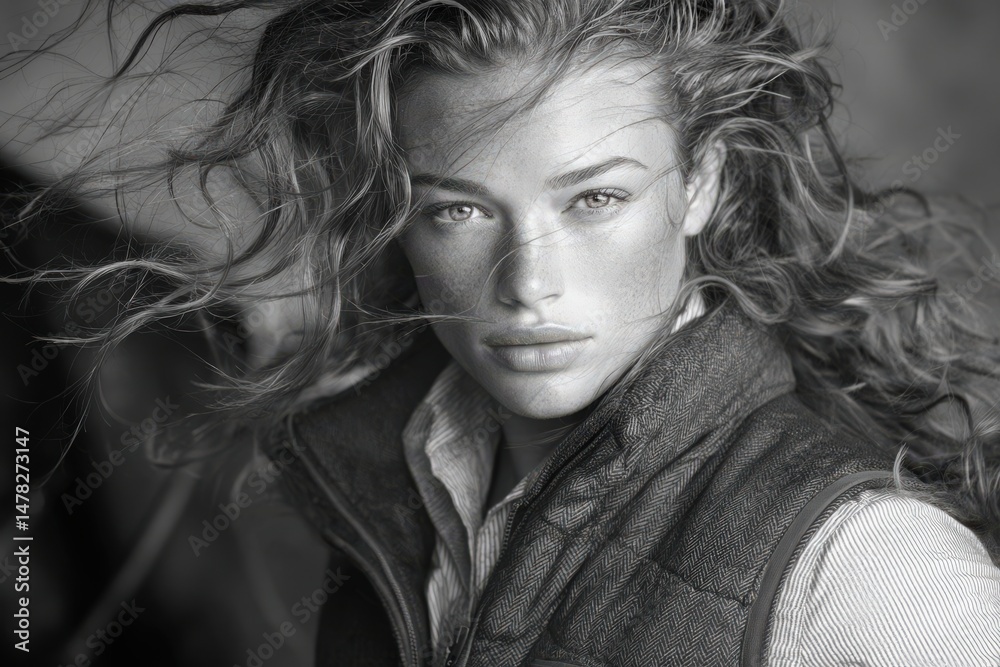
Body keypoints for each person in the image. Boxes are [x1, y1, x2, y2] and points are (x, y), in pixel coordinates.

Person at [7, 0, 1000, 665]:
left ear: (700, 184)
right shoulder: (386, 478)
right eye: (459, 210)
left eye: (594, 199)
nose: (528, 283)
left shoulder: (867, 561)